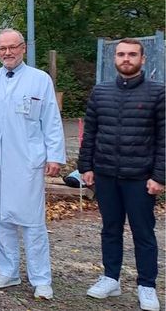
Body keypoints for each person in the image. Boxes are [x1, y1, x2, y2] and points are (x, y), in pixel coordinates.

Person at [0, 28, 65, 300]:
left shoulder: (39, 80)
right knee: (0, 218)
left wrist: (55, 155)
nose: (7, 52)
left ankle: (41, 278)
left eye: (12, 47)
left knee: (32, 220)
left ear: (23, 48)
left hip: (26, 159)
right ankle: (8, 271)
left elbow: (51, 119)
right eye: (2, 48)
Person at [77, 38, 164, 311]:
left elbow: (163, 139)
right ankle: (110, 278)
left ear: (142, 59)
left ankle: (147, 285)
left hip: (140, 177)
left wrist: (160, 176)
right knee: (110, 229)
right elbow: (90, 132)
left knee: (143, 233)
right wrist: (85, 167)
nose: (126, 59)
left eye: (132, 54)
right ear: (114, 58)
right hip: (106, 174)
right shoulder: (100, 92)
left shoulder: (158, 93)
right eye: (121, 54)